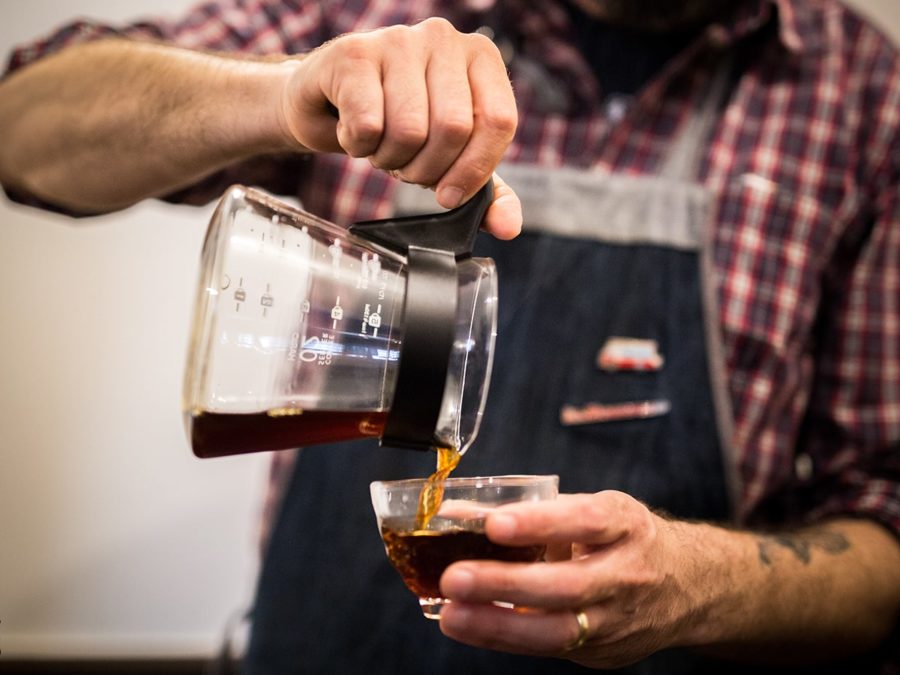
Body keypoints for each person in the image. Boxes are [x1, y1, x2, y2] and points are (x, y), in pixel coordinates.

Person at [1, 0, 898, 672]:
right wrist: (285, 90)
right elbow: (23, 131)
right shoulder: (367, 12)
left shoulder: (864, 95)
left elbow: (885, 533)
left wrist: (699, 584)